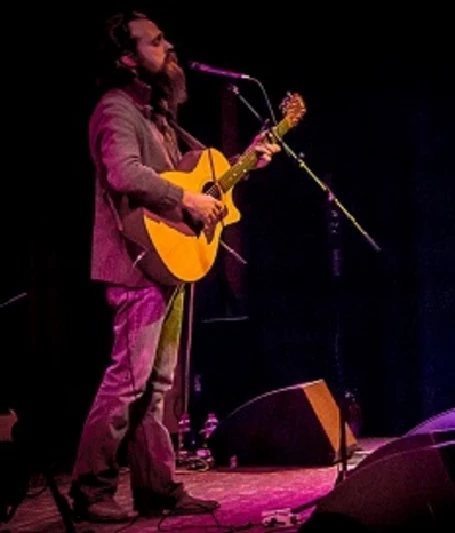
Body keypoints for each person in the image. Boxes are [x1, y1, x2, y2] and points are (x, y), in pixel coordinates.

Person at [70, 11, 281, 523]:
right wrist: (186, 198)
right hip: (135, 262)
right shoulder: (115, 110)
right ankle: (90, 487)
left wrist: (244, 163)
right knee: (128, 379)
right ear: (126, 57)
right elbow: (125, 173)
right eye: (154, 41)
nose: (168, 47)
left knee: (158, 385)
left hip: (169, 259)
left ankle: (157, 487)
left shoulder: (158, 115)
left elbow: (195, 184)